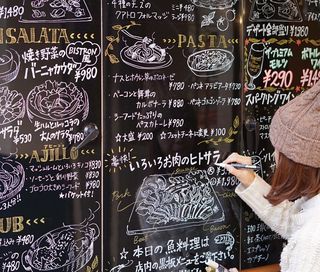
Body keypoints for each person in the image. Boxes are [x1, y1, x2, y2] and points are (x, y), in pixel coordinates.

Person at [221, 81, 320, 271]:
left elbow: (308, 235)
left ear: (297, 164)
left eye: (278, 150)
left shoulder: (312, 242)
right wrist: (251, 181)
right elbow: (294, 222)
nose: (274, 156)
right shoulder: (314, 213)